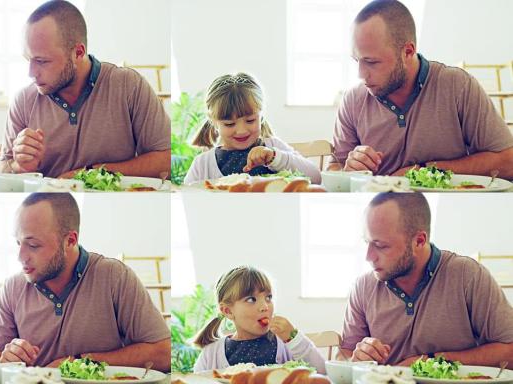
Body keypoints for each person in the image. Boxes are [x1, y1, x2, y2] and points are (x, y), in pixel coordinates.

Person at [328, 0, 513, 178]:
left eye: (372, 62)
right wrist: (347, 172)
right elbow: (333, 170)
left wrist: (424, 172)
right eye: (356, 60)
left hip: (448, 208)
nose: (361, 75)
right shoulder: (353, 100)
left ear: (408, 51)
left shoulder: (458, 86)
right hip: (378, 208)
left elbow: (508, 162)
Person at [0, 193, 171, 371]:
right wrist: (3, 362)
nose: (20, 257)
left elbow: (163, 353)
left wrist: (77, 363)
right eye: (18, 243)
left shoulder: (115, 277)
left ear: (70, 240)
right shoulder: (12, 288)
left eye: (33, 245)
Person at [0, 0, 170, 179]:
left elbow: (166, 160)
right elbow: (2, 168)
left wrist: (89, 174)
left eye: (42, 61)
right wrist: (20, 166)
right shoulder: (24, 100)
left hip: (113, 206)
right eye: (28, 59)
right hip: (48, 205)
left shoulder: (129, 86)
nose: (31, 73)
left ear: (78, 52)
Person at [338, 193, 513, 367]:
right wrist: (355, 359)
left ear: (419, 241)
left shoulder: (468, 276)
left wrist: (426, 363)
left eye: (381, 245)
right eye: (367, 242)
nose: (369, 257)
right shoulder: (363, 287)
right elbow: (343, 356)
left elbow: (509, 351)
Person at [184, 73, 321, 185]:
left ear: (261, 116)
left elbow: (316, 177)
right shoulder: (203, 164)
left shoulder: (273, 147)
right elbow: (188, 199)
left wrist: (275, 158)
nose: (242, 130)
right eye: (230, 124)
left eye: (250, 120)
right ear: (214, 122)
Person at [192, 266, 325, 373]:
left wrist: (294, 339)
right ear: (228, 311)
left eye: (268, 297)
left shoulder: (285, 343)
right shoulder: (211, 353)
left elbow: (322, 372)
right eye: (251, 299)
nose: (265, 307)